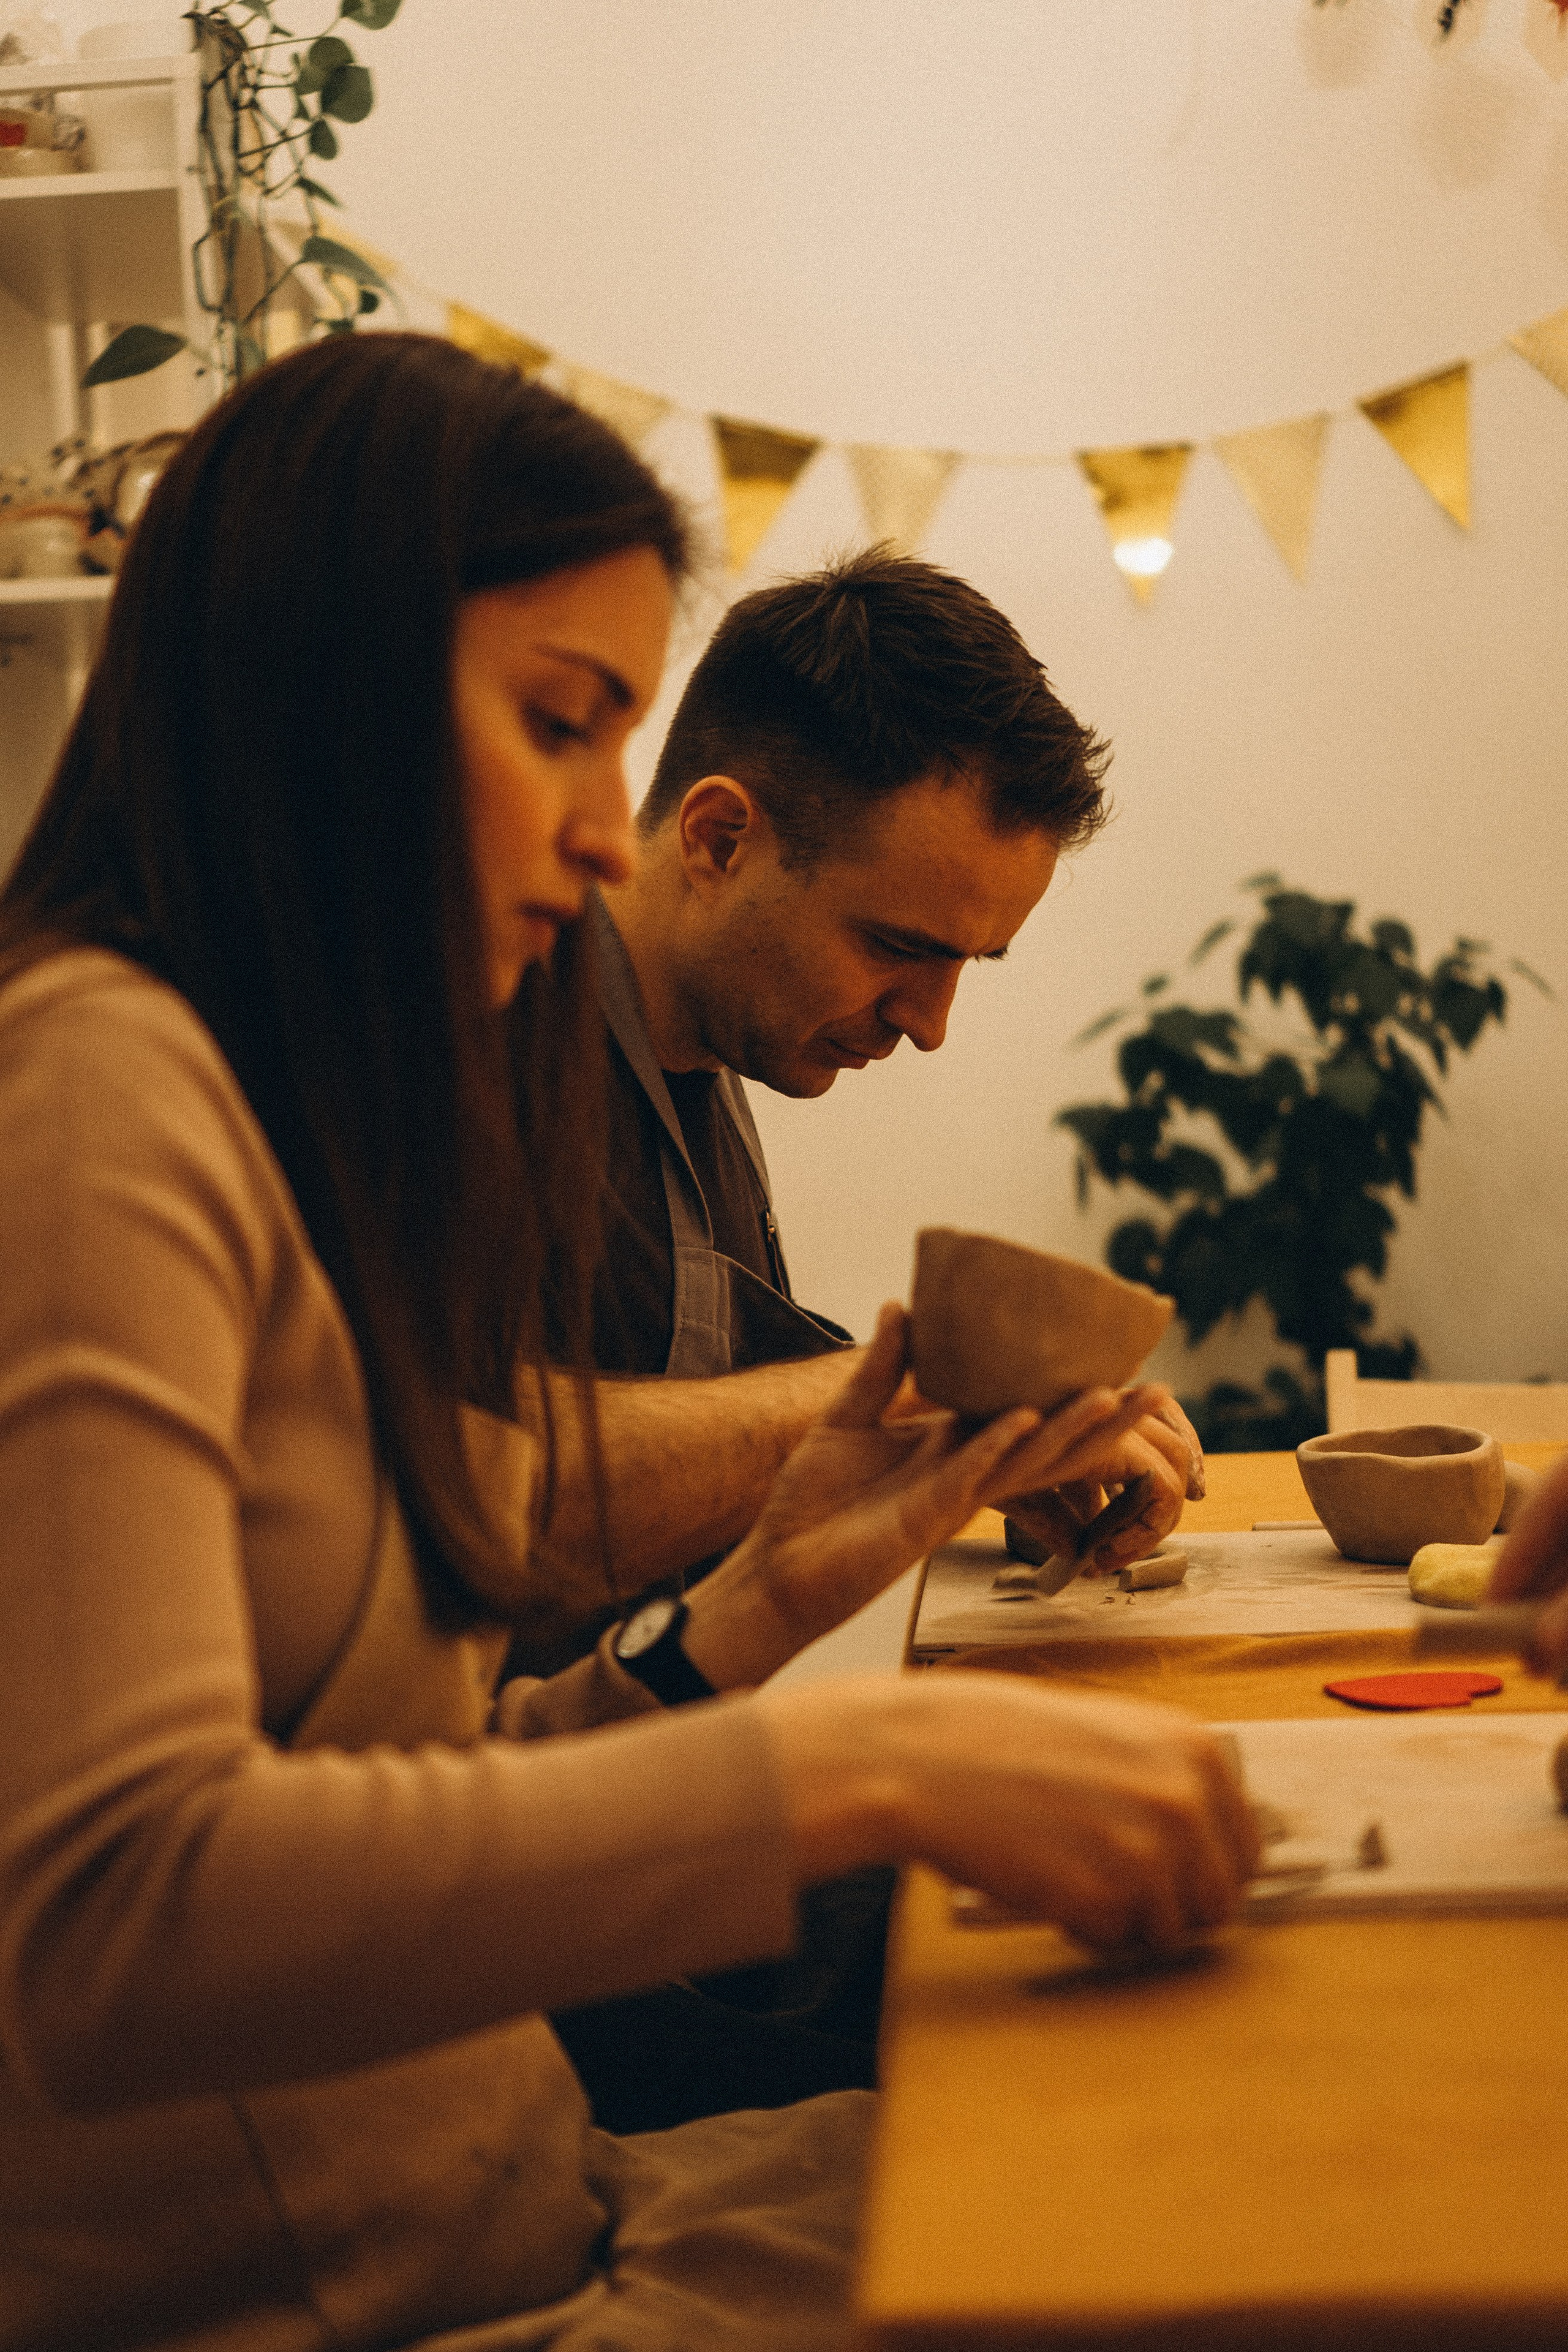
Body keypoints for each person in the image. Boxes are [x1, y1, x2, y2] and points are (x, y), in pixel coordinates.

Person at [0, 331, 1257, 2352]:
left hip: (537, 2200)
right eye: (560, 725)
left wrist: (759, 1605)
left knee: (1208, 2162)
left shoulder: (255, 1104)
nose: (610, 834)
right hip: (400, 2292)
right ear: (319, 696)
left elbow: (410, 1777)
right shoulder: (89, 1096)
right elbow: (125, 1926)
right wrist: (861, 1763)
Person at [549, 554, 1205, 2128]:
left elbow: (719, 1465)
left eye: (966, 965)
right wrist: (918, 1404)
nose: (928, 1021)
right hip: (507, 1929)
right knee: (1101, 2054)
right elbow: (483, 1492)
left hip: (637, 1811)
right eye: (899, 945)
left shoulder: (708, 1076)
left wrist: (987, 1458)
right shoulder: (494, 1049)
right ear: (717, 836)